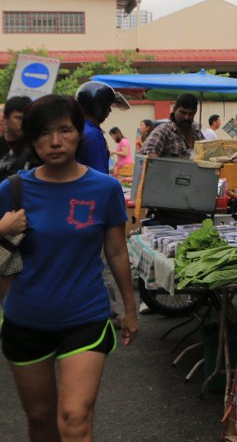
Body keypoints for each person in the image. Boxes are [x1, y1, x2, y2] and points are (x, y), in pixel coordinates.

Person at [0, 94, 138, 442]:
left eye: (65, 130)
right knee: (41, 420)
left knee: (75, 419)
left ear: (80, 133)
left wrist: (130, 308)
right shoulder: (11, 189)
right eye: (45, 132)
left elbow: (117, 252)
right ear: (32, 138)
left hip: (85, 317)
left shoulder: (104, 188)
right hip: (24, 319)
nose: (56, 141)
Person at [75, 81, 131, 175]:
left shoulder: (80, 129)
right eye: (108, 106)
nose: (109, 111)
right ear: (98, 108)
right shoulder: (93, 134)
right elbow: (100, 175)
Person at [140, 93, 204, 158]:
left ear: (195, 112)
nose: (186, 117)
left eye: (190, 114)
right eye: (183, 112)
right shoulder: (163, 131)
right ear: (175, 109)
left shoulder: (196, 132)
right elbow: (147, 155)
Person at [0, 96, 33, 179]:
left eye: (27, 118)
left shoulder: (35, 148)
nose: (23, 122)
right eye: (19, 118)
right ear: (5, 118)